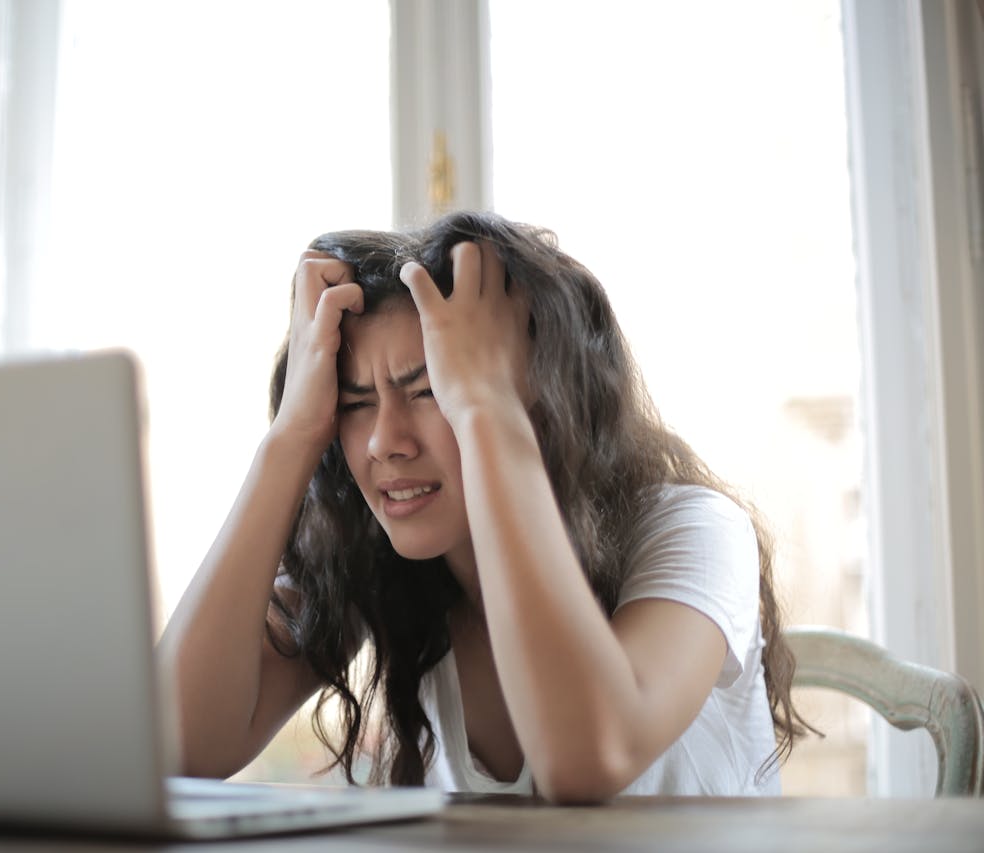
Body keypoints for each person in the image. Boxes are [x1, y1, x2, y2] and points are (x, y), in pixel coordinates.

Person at [160, 211, 810, 801]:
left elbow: (588, 757)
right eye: (355, 403)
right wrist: (291, 435)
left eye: (433, 390)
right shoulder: (380, 561)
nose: (385, 441)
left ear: (540, 396)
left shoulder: (695, 529)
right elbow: (176, 746)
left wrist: (486, 411)